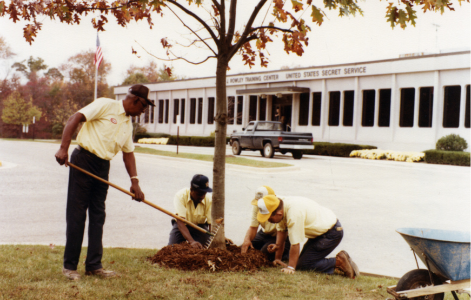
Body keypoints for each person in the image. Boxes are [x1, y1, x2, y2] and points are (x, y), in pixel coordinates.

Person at [55, 84, 155, 281]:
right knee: (77, 214)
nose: (143, 112)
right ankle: (70, 267)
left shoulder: (127, 124)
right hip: (84, 160)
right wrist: (63, 148)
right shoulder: (105, 105)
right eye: (143, 108)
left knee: (98, 215)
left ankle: (94, 265)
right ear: (136, 100)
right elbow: (75, 118)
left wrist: (135, 182)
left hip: (102, 167)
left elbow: (128, 154)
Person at [254, 195, 360, 278]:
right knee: (301, 263)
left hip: (331, 233)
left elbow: (295, 244)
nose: (268, 220)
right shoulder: (280, 205)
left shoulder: (294, 214)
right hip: (320, 233)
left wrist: (291, 268)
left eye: (269, 218)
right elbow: (282, 230)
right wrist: (278, 248)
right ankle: (335, 262)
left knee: (304, 265)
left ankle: (339, 261)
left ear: (279, 213)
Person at [241, 186, 290, 261]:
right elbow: (253, 227)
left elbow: (283, 232)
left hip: (281, 236)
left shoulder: (280, 206)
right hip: (264, 233)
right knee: (244, 248)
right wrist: (247, 240)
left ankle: (285, 254)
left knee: (264, 254)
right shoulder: (258, 205)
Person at [168, 174, 213, 249]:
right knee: (171, 249)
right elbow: (180, 221)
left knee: (205, 249)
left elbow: (211, 223)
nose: (202, 197)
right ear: (191, 189)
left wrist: (217, 237)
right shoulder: (180, 196)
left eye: (204, 194)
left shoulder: (209, 199)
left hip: (199, 227)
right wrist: (191, 241)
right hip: (182, 225)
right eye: (199, 194)